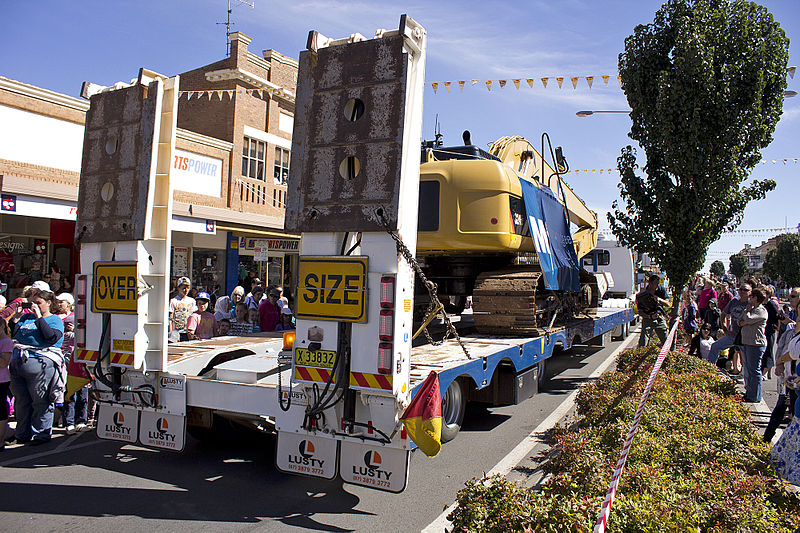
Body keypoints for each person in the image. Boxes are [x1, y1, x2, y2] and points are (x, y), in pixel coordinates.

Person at [8, 289, 65, 444]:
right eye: (33, 303)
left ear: (48, 303)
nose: (35, 306)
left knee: (41, 400)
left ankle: (41, 434)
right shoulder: (26, 317)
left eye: (39, 303)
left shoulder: (54, 320)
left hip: (40, 364)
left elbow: (50, 337)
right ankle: (22, 433)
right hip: (18, 364)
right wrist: (16, 318)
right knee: (21, 400)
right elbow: (13, 334)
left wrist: (40, 317)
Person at [708, 283, 751, 367]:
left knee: (745, 360)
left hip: (745, 337)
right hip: (733, 334)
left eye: (745, 290)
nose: (742, 292)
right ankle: (710, 369)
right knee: (715, 347)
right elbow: (723, 314)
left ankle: (745, 376)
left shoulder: (751, 304)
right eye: (740, 289)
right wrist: (725, 329)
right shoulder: (734, 301)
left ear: (750, 292)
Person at [738, 288, 768, 403]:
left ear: (756, 298)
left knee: (754, 370)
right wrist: (745, 319)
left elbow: (748, 319)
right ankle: (749, 393)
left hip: (756, 344)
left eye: (751, 296)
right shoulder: (750, 309)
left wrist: (746, 316)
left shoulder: (761, 310)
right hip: (746, 342)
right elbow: (739, 321)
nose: (749, 298)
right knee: (748, 370)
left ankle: (755, 396)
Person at [636, 275, 669, 347]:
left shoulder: (661, 290)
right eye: (655, 283)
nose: (657, 285)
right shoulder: (642, 295)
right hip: (648, 319)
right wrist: (649, 316)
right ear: (650, 283)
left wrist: (659, 300)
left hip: (659, 318)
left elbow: (668, 304)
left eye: (658, 283)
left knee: (666, 340)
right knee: (643, 343)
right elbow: (640, 312)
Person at [169, 277, 196, 342]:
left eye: (187, 288)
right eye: (183, 288)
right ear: (178, 288)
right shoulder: (173, 301)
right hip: (177, 332)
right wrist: (170, 332)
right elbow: (170, 317)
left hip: (189, 331)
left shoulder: (192, 301)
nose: (186, 290)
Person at [762, 285, 780, 380]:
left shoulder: (771, 304)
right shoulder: (762, 304)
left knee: (768, 351)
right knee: (764, 351)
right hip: (763, 330)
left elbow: (777, 317)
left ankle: (766, 371)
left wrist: (775, 326)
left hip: (770, 330)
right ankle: (766, 371)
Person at [0, 320, 12, 449]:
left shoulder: (6, 342)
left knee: (1, 411)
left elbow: (3, 363)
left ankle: (0, 441)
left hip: (1, 380)